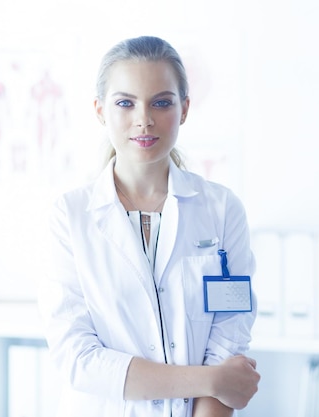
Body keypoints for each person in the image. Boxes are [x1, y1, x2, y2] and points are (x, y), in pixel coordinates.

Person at [38, 35, 259, 417]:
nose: (144, 118)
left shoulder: (222, 210)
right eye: (125, 103)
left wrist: (216, 384)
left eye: (162, 102)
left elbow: (229, 339)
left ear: (185, 108)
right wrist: (210, 379)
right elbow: (79, 360)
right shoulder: (70, 216)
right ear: (99, 110)